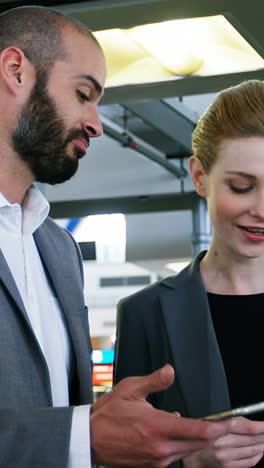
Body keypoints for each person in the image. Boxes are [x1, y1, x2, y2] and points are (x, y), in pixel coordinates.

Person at [0, 5, 236, 468]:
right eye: (84, 94)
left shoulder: (59, 250)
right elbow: (73, 435)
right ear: (15, 71)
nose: (97, 123)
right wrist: (81, 435)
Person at [114, 79, 264, 468]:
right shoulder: (146, 314)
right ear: (199, 177)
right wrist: (192, 462)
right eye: (242, 187)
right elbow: (123, 455)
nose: (261, 209)